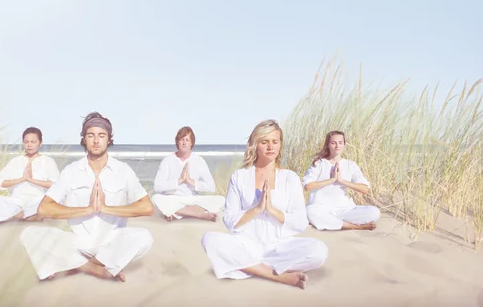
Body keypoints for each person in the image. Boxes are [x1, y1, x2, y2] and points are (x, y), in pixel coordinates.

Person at [19, 112, 154, 282]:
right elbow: (44, 208)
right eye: (91, 135)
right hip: (78, 242)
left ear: (109, 139)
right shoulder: (71, 171)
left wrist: (106, 209)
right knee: (28, 234)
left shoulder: (123, 170)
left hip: (111, 240)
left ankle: (75, 264)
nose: (96, 141)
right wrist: (88, 209)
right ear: (84, 139)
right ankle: (92, 268)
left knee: (144, 237)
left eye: (101, 135)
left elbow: (147, 207)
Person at [201, 120, 328, 289]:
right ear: (255, 145)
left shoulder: (290, 178)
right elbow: (229, 220)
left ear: (280, 145)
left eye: (275, 142)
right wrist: (257, 209)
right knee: (209, 239)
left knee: (319, 250)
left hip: (279, 245)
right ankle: (276, 276)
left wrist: (272, 210)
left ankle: (250, 266)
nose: (270, 147)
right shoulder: (240, 176)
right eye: (264, 142)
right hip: (247, 243)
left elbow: (300, 222)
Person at [303, 130, 380, 231]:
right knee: (309, 211)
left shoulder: (350, 165)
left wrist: (341, 181)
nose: (337, 146)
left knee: (374, 212)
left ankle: (332, 222)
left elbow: (365, 189)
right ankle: (354, 226)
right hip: (321, 208)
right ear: (328, 145)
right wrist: (331, 180)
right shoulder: (319, 163)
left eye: (340, 143)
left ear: (344, 144)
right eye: (333, 143)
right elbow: (308, 186)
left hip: (344, 209)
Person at [0, 127, 59, 224]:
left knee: (49, 203)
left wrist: (31, 180)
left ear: (40, 143)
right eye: (26, 142)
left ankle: (22, 215)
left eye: (33, 142)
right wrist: (22, 179)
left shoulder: (48, 161)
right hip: (17, 201)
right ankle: (25, 215)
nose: (29, 145)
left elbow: (55, 185)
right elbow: (0, 183)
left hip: (37, 199)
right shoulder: (15, 161)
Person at [152, 126, 225, 222]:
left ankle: (175, 213)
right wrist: (180, 181)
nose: (184, 142)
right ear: (177, 142)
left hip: (192, 199)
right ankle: (199, 214)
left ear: (192, 143)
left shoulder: (199, 161)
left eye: (187, 140)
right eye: (182, 139)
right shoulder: (168, 160)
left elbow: (211, 187)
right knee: (155, 199)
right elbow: (157, 186)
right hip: (173, 199)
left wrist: (190, 181)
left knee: (221, 200)